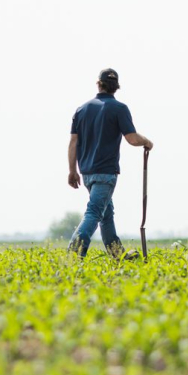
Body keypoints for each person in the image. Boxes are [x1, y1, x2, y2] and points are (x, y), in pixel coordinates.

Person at [68, 68, 153, 258]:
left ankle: (118, 256)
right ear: (116, 87)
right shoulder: (119, 108)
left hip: (87, 172)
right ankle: (73, 255)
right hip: (106, 172)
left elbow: (73, 142)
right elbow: (132, 138)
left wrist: (72, 171)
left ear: (98, 83)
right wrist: (147, 142)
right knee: (95, 213)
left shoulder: (81, 109)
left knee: (106, 215)